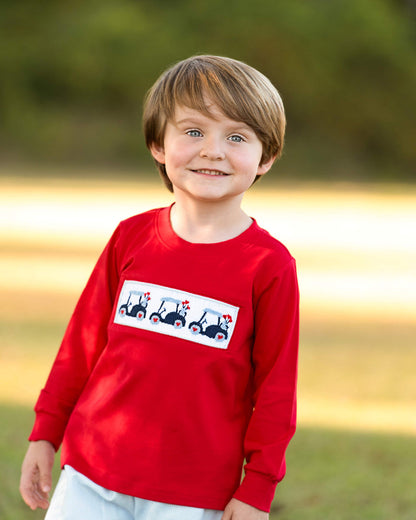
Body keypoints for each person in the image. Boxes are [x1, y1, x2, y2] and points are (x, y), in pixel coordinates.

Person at [20, 55, 299, 520]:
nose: (213, 150)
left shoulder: (268, 266)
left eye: (236, 136)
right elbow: (81, 346)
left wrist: (258, 488)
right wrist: (46, 434)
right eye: (193, 132)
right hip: (90, 474)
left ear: (265, 157)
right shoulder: (130, 237)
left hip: (193, 494)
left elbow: (276, 391)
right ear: (157, 144)